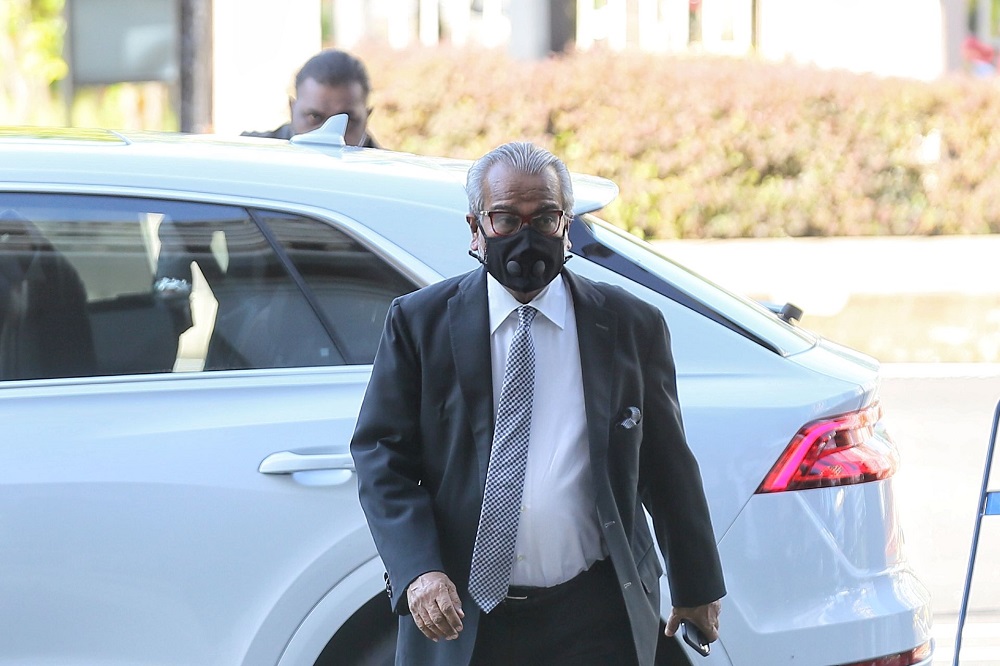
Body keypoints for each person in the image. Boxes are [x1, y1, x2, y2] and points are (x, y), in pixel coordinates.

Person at [350, 141, 725, 665]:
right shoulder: (420, 323)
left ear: (566, 223)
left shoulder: (629, 326)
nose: (526, 237)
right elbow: (381, 454)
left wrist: (697, 581)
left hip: (595, 608)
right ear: (475, 227)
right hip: (466, 613)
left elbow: (666, 461)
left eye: (544, 218)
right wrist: (419, 569)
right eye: (506, 219)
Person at [242, 48, 380, 147]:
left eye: (346, 121)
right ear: (292, 109)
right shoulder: (245, 156)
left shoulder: (389, 180)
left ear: (367, 117)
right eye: (314, 117)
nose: (328, 134)